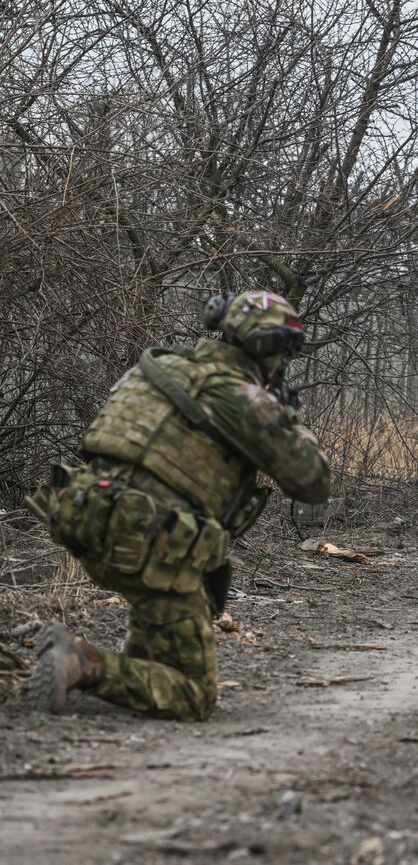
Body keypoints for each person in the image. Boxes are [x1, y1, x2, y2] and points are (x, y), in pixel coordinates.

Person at [25, 290, 331, 721]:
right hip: (149, 545)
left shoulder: (158, 366)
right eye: (284, 352)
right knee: (192, 696)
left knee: (163, 623)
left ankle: (134, 663)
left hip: (84, 520)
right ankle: (80, 661)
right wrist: (289, 415)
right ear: (267, 348)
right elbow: (313, 482)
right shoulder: (243, 399)